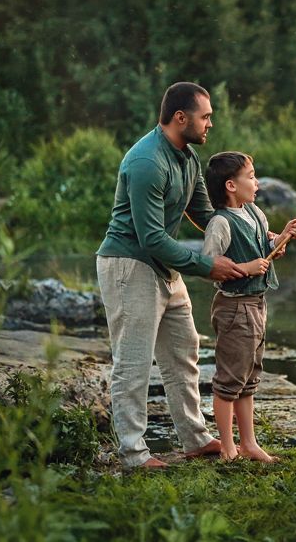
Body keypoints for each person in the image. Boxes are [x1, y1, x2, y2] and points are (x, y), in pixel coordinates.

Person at [96, 82, 247, 469]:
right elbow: (150, 238)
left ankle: (195, 438)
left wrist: (254, 233)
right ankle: (133, 453)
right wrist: (206, 266)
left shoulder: (189, 157)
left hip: (162, 263)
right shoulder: (147, 162)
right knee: (133, 362)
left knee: (184, 352)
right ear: (181, 118)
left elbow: (204, 214)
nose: (210, 123)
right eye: (205, 116)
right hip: (130, 264)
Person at [202, 151, 296, 461]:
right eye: (250, 176)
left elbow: (266, 247)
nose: (256, 182)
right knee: (229, 381)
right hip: (233, 308)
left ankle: (248, 443)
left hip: (257, 305)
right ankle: (228, 448)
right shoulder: (220, 223)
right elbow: (209, 266)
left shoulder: (255, 213)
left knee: (248, 378)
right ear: (231, 185)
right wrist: (245, 268)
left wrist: (283, 238)